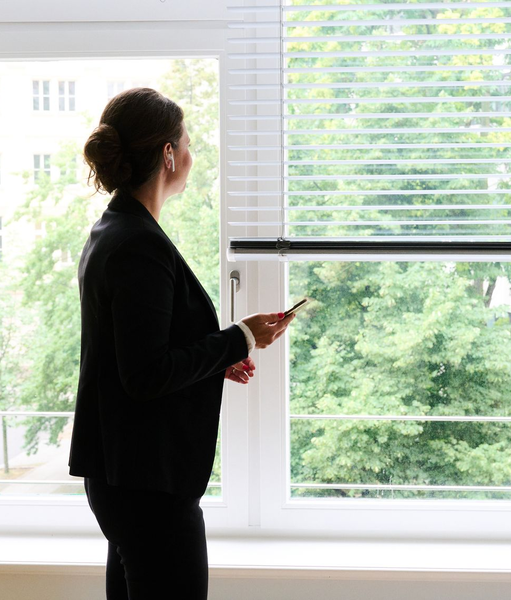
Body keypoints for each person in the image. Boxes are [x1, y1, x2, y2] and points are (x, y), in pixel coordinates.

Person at [68, 87, 294, 599]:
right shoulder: (138, 245)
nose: (192, 152)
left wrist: (217, 359)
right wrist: (241, 338)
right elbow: (144, 375)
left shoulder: (116, 229)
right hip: (147, 484)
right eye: (187, 141)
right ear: (168, 154)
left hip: (126, 477)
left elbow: (133, 352)